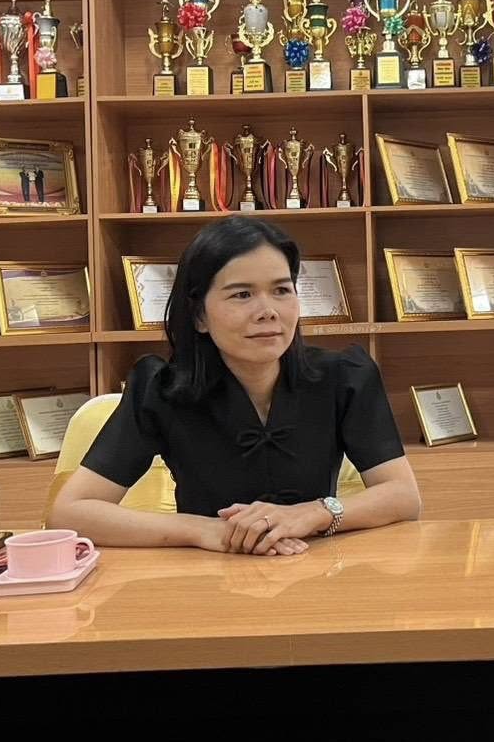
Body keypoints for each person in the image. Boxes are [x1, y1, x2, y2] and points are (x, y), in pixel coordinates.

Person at [50, 217, 421, 555]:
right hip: (208, 574)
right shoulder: (161, 389)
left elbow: (403, 496)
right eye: (242, 294)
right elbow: (70, 512)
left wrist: (314, 513)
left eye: (282, 290)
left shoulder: (345, 377)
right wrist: (203, 530)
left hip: (312, 567)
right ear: (199, 316)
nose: (268, 311)